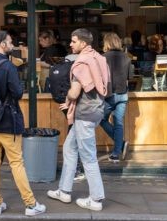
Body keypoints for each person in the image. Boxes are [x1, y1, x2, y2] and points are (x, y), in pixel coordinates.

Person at [0, 30, 46, 217]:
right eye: (10, 41)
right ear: (2, 44)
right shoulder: (8, 66)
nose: (12, 44)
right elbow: (17, 93)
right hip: (7, 120)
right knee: (16, 162)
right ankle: (31, 204)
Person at [47, 28, 108, 211]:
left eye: (73, 41)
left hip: (84, 114)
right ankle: (64, 191)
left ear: (83, 43)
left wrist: (66, 97)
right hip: (96, 110)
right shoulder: (99, 58)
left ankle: (96, 199)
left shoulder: (81, 62)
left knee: (88, 157)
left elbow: (74, 92)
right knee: (69, 148)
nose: (70, 44)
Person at [100, 32, 131, 162]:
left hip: (109, 95)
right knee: (118, 124)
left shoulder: (102, 58)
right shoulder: (127, 57)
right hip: (123, 94)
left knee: (101, 119)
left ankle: (120, 146)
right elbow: (129, 78)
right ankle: (117, 150)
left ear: (106, 43)